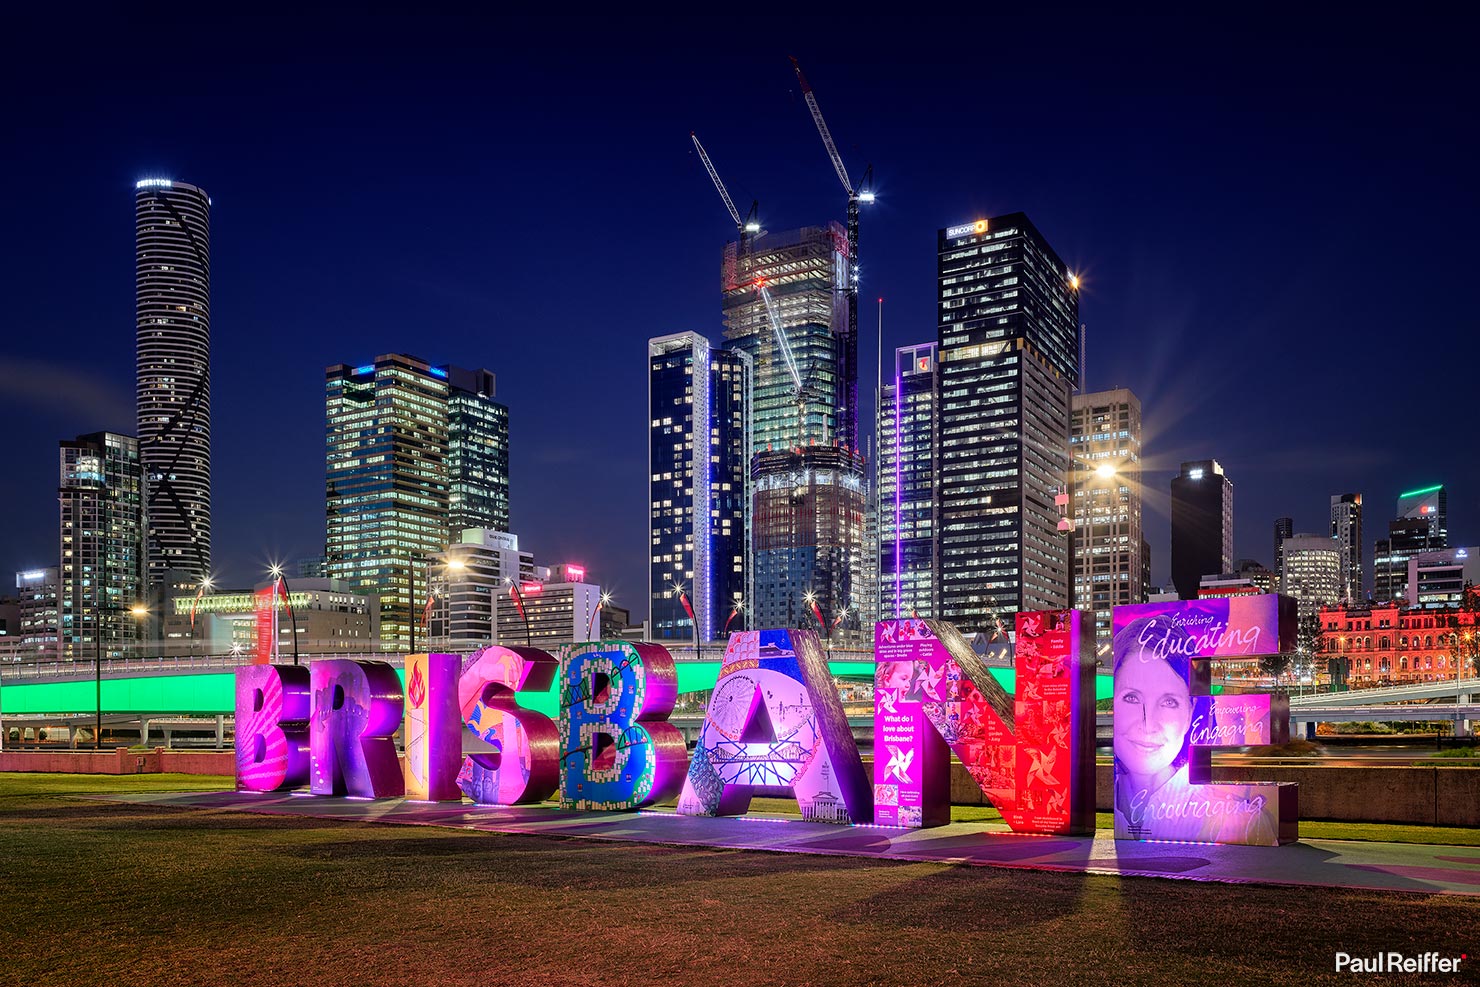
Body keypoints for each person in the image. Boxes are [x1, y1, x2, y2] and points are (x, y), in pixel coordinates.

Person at [1112, 614, 1277, 845]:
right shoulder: (1088, 803)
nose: (1148, 723)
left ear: (1190, 712)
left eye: (1169, 702)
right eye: (1131, 697)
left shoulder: (1241, 824)